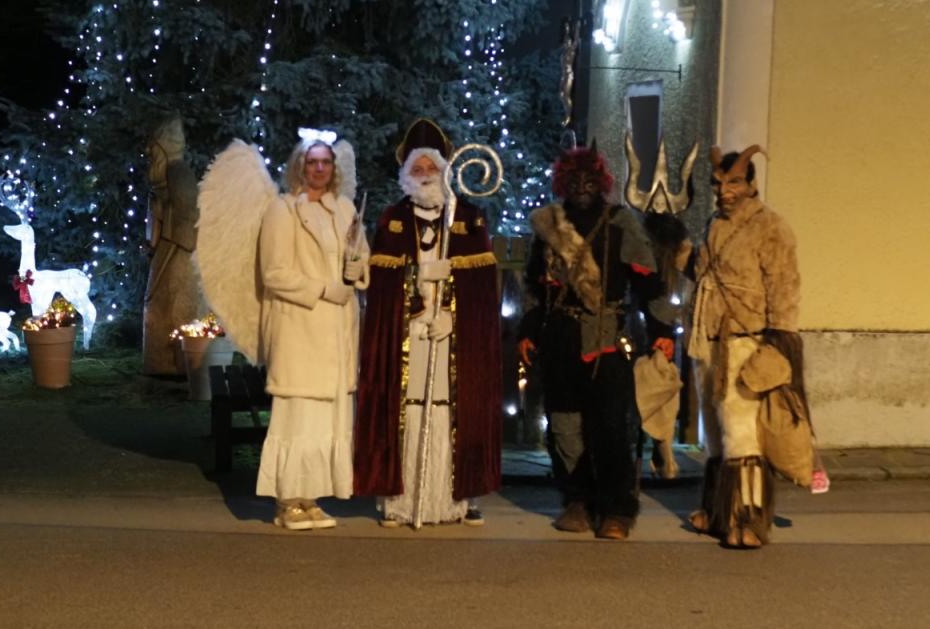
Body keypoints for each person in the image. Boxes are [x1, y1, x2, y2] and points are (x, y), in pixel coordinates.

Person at [517, 145, 675, 540]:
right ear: (563, 182)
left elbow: (649, 282)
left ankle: (616, 509)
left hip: (606, 339)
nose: (582, 187)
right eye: (574, 180)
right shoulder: (550, 225)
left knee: (610, 426)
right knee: (564, 425)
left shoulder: (620, 223)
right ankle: (577, 499)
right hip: (559, 339)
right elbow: (535, 288)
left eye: (589, 180)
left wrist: (661, 332)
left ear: (601, 182)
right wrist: (528, 331)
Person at [354, 118, 502, 527]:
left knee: (455, 408)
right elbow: (382, 284)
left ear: (444, 171)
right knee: (408, 406)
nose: (424, 175)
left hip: (452, 336)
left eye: (431, 167)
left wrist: (453, 313)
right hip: (410, 333)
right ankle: (400, 501)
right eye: (416, 168)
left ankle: (460, 498)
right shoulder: (392, 219)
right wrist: (416, 282)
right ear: (406, 173)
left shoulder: (468, 218)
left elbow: (482, 288)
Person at [684, 145, 826, 550]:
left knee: (742, 434)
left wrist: (779, 343)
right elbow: (700, 272)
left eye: (733, 182)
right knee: (716, 436)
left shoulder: (770, 227)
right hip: (710, 342)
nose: (724, 191)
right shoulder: (714, 224)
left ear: (750, 184)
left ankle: (748, 517)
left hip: (746, 342)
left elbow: (785, 288)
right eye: (718, 183)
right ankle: (718, 510)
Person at [255, 132, 369, 531]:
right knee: (298, 417)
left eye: (326, 162)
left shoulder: (344, 209)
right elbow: (274, 272)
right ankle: (288, 500)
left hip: (337, 331)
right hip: (300, 329)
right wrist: (322, 289)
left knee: (327, 421)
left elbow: (361, 255)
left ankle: (312, 497)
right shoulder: (283, 210)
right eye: (312, 162)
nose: (320, 169)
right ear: (299, 166)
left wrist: (357, 269)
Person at [142, 114, 203, 376]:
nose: (148, 153)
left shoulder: (179, 173)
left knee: (178, 305)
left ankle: (178, 364)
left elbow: (189, 215)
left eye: (153, 147)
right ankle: (160, 363)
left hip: (180, 252)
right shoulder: (162, 180)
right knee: (157, 304)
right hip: (166, 250)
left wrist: (178, 241)